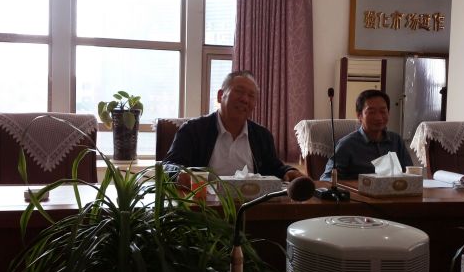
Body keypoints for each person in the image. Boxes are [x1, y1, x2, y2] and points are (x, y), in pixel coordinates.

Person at [162, 70, 304, 187]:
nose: (245, 99)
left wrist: (288, 171)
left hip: (252, 206)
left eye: (251, 96)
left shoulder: (262, 135)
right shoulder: (192, 130)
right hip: (205, 206)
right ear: (220, 96)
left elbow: (274, 167)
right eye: (239, 91)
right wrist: (180, 175)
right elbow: (168, 166)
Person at [320, 89, 413, 181]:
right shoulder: (347, 145)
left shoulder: (396, 141)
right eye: (371, 112)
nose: (378, 117)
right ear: (359, 116)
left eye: (383, 111)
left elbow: (410, 173)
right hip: (358, 190)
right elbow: (326, 179)